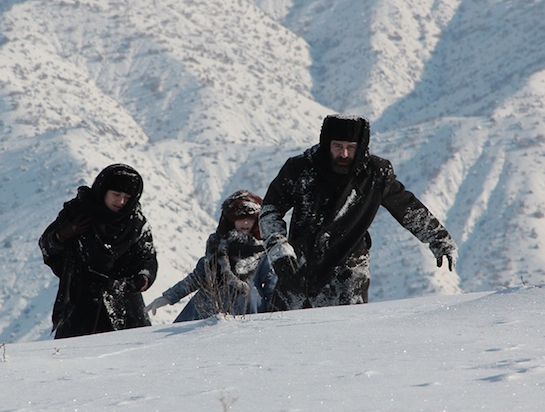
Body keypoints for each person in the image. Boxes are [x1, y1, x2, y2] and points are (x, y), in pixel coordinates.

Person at [259, 114, 458, 311]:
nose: (344, 154)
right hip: (298, 270)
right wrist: (279, 249)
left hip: (347, 274)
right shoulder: (300, 168)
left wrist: (439, 238)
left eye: (351, 147)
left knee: (345, 335)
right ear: (326, 143)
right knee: (284, 336)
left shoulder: (375, 174)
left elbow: (407, 208)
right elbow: (270, 209)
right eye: (337, 146)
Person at [38, 163, 158, 338]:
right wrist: (61, 235)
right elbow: (47, 247)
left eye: (127, 197)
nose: (121, 201)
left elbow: (147, 256)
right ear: (103, 191)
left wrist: (144, 277)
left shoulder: (135, 222)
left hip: (124, 304)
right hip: (81, 304)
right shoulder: (78, 212)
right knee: (74, 358)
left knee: (132, 358)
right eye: (116, 195)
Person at [145, 190, 276, 322]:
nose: (246, 223)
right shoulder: (217, 247)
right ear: (231, 220)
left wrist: (273, 316)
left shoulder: (262, 251)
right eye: (240, 218)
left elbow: (272, 286)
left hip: (248, 309)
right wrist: (168, 297)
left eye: (250, 219)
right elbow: (197, 277)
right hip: (210, 308)